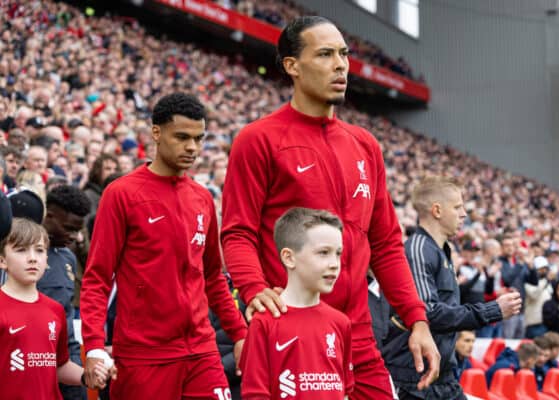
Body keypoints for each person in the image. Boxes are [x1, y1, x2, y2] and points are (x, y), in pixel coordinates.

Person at [221, 16, 439, 399]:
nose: (341, 65)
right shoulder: (258, 140)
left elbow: (386, 244)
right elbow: (238, 232)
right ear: (292, 65)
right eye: (325, 54)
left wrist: (416, 318)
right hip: (292, 332)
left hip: (358, 332)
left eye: (343, 54)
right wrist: (254, 289)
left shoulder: (365, 145)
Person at [81, 93, 247, 399]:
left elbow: (212, 277)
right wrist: (93, 345)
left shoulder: (202, 199)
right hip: (144, 356)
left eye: (199, 139)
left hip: (201, 351)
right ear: (156, 133)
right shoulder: (122, 194)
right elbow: (97, 278)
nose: (192, 148)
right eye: (182, 137)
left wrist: (240, 334)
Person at [382, 176, 521, 400]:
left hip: (442, 374)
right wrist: (492, 310)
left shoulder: (441, 251)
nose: (464, 214)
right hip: (414, 378)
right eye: (458, 207)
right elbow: (428, 313)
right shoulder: (418, 249)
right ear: (437, 210)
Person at [240, 207, 354, 399]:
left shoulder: (341, 323)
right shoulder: (265, 322)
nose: (334, 263)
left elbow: (345, 392)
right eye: (324, 252)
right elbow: (255, 394)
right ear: (289, 257)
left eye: (338, 253)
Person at [0, 218, 110, 398]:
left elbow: (59, 366)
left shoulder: (55, 310)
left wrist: (86, 377)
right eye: (21, 250)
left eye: (40, 250)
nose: (32, 258)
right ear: (2, 260)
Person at [38, 184, 92, 400]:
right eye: (69, 228)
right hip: (34, 355)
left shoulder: (68, 257)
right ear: (49, 216)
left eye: (79, 230)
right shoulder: (24, 256)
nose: (76, 236)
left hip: (68, 355)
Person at [499, 235, 538, 339]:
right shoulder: (500, 262)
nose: (510, 247)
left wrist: (531, 266)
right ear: (501, 248)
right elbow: (507, 280)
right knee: (507, 340)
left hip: (520, 309)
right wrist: (520, 265)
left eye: (512, 245)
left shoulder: (518, 263)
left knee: (518, 343)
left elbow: (534, 282)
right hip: (507, 309)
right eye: (506, 245)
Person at [524, 256, 553, 339]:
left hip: (546, 323)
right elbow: (534, 294)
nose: (544, 271)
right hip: (534, 324)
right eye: (541, 269)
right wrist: (546, 281)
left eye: (545, 269)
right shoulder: (528, 282)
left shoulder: (547, 282)